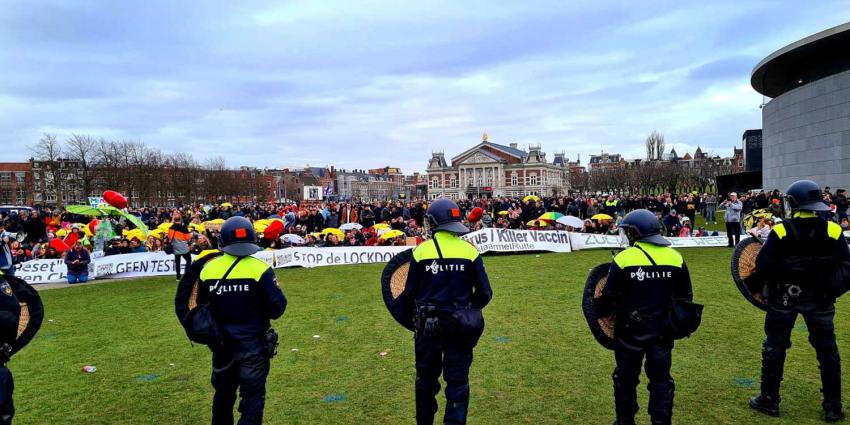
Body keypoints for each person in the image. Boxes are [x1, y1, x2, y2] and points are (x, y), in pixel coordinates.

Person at [749, 180, 850, 422]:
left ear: (794, 204)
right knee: (828, 351)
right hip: (821, 299)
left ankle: (769, 399)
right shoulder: (833, 229)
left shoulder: (782, 230)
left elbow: (763, 265)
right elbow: (846, 267)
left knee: (774, 347)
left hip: (784, 297)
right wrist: (830, 290)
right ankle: (833, 406)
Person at [595, 209, 695, 425]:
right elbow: (686, 297)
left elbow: (608, 298)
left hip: (630, 333)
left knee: (625, 380)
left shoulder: (624, 258)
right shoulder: (676, 257)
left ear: (634, 233)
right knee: (661, 380)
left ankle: (625, 421)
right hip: (662, 332)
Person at [404, 199, 493, 425]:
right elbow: (485, 293)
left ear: (433, 222)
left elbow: (408, 293)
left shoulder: (420, 251)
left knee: (425, 380)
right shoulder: (469, 251)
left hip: (428, 328)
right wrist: (466, 308)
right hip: (460, 327)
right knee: (457, 382)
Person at [196, 216, 287, 425]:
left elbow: (200, 307)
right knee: (252, 399)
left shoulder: (208, 269)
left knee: (223, 397)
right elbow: (278, 308)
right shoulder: (260, 269)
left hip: (221, 344)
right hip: (253, 345)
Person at [168, 211, 193, 281]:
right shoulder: (184, 227)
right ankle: (186, 274)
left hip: (175, 246)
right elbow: (188, 238)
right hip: (183, 246)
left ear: (174, 220)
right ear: (180, 219)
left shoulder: (171, 228)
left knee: (177, 262)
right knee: (188, 260)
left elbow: (169, 238)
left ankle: (178, 277)